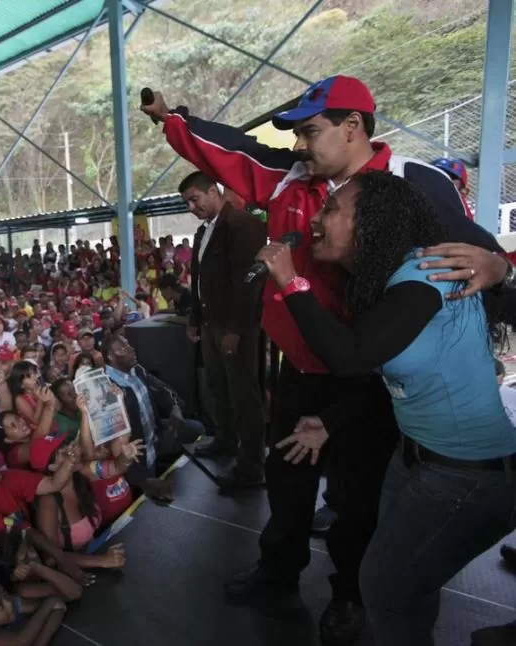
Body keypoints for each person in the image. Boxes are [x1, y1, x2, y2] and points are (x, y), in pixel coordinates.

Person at [141, 75, 507, 644]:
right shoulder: (292, 178)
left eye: (310, 131)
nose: (299, 146)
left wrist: (500, 268)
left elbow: (474, 247)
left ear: (353, 127)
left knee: (356, 497)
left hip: (374, 376)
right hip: (303, 367)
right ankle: (279, 567)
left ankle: (349, 595)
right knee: (286, 478)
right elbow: (233, 151)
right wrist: (173, 120)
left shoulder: (408, 183)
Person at [256, 171, 515, 646]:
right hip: (415, 460)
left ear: (372, 221)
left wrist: (291, 282)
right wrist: (330, 422)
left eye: (332, 209)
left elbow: (351, 355)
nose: (316, 218)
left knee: (385, 588)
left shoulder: (424, 272)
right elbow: (379, 377)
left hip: (465, 475)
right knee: (408, 589)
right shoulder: (390, 281)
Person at [176, 171, 267, 491]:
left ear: (213, 191)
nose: (191, 207)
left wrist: (237, 330)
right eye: (187, 202)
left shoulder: (243, 225)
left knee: (244, 394)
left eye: (195, 199)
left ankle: (252, 464)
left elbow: (250, 284)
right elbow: (200, 281)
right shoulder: (203, 233)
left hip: (235, 327)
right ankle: (226, 441)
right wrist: (194, 319)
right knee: (219, 387)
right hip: (211, 324)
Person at [103, 334, 203, 502]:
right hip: (138, 455)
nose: (130, 350)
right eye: (122, 349)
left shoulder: (137, 370)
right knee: (151, 499)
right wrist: (143, 480)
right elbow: (116, 446)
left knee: (197, 429)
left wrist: (175, 407)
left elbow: (163, 390)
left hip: (156, 436)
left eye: (128, 345)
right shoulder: (107, 389)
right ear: (111, 357)